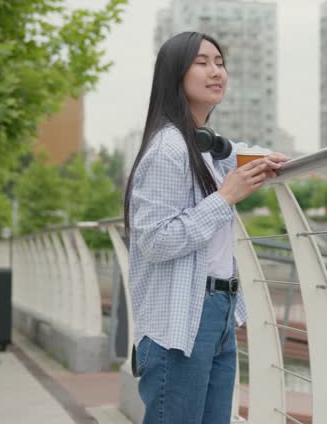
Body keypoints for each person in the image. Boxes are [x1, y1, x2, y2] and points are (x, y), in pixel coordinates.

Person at [123, 31, 289, 423]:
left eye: (219, 62)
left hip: (218, 310)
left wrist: (239, 152)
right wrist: (225, 198)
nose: (216, 71)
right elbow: (154, 240)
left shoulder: (201, 147)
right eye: (202, 63)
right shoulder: (169, 149)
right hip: (182, 318)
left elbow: (257, 156)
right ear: (175, 74)